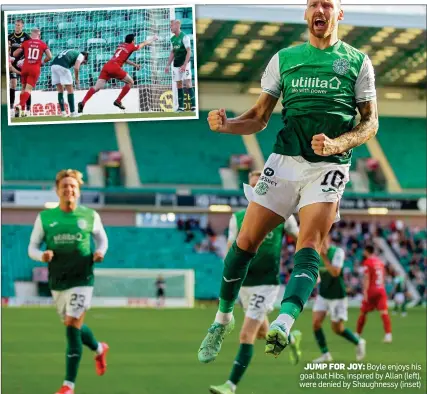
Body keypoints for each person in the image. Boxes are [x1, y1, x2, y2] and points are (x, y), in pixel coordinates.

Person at [198, 0, 378, 363]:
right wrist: (228, 125)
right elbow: (260, 117)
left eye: (327, 4)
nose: (320, 9)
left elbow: (370, 123)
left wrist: (338, 144)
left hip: (330, 166)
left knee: (309, 241)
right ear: (306, 12)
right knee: (245, 241)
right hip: (284, 160)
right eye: (313, 3)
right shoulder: (285, 58)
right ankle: (221, 319)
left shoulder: (358, 61)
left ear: (338, 13)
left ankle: (282, 321)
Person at [209, 171, 302, 394]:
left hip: (267, 283)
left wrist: (308, 266)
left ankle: (230, 386)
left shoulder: (282, 215)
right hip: (244, 284)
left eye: (260, 185)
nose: (256, 190)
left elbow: (301, 239)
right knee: (262, 333)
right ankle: (290, 338)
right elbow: (232, 249)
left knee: (246, 334)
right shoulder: (238, 218)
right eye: (252, 187)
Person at [28, 169, 109, 394]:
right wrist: (41, 255)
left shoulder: (90, 215)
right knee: (73, 325)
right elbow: (32, 247)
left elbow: (102, 240)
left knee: (72, 325)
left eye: (73, 186)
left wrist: (100, 252)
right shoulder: (45, 218)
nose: (69, 189)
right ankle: (99, 347)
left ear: (79, 190)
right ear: (57, 191)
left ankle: (68, 386)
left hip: (82, 277)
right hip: (58, 279)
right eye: (64, 186)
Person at [312, 235, 365, 363]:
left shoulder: (337, 252)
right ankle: (325, 354)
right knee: (316, 323)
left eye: (323, 240)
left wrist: (324, 257)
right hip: (323, 294)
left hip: (337, 296)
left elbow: (335, 272)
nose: (321, 243)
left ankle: (358, 341)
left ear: (328, 240)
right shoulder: (315, 253)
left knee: (337, 329)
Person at [78, 34, 158, 112]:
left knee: (96, 87)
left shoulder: (121, 46)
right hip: (115, 67)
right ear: (132, 41)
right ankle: (118, 100)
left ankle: (83, 102)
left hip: (107, 66)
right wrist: (153, 38)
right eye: (134, 40)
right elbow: (143, 43)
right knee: (131, 82)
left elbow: (124, 59)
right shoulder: (132, 46)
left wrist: (135, 65)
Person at [356, 245, 392, 343]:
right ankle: (388, 335)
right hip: (381, 289)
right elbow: (383, 276)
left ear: (367, 252)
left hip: (371, 290)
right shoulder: (380, 262)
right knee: (384, 313)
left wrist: (365, 292)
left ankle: (357, 334)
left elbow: (367, 278)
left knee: (363, 312)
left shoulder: (367, 262)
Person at [13, 27, 52, 117]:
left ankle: (22, 111)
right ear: (39, 34)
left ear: (31, 34)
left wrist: (20, 48)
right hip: (35, 68)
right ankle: (19, 105)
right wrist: (42, 62)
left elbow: (15, 54)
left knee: (23, 88)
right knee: (28, 90)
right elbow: (50, 56)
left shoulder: (26, 43)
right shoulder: (42, 44)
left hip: (25, 67)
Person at [165, 20, 196, 112]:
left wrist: (185, 65)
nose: (170, 27)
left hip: (184, 64)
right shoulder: (172, 39)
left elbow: (189, 51)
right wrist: (168, 65)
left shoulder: (185, 37)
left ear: (177, 25)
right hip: (176, 65)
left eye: (171, 25)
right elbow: (172, 52)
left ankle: (193, 106)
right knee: (179, 85)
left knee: (188, 83)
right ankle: (181, 107)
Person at [51, 49, 89, 117]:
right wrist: (77, 79)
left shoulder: (72, 51)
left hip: (53, 65)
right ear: (85, 57)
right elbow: (76, 68)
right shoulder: (81, 55)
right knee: (70, 90)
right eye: (83, 62)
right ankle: (72, 112)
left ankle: (63, 112)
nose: (82, 64)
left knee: (60, 90)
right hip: (63, 65)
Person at [8, 18, 31, 115]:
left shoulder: (26, 37)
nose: (16, 27)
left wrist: (25, 59)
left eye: (18, 25)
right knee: (13, 83)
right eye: (15, 25)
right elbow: (8, 49)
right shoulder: (10, 37)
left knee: (26, 86)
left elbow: (30, 50)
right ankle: (11, 108)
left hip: (23, 63)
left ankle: (28, 109)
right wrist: (9, 57)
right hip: (13, 63)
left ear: (22, 26)